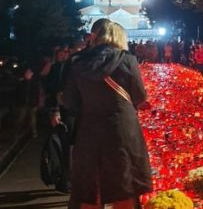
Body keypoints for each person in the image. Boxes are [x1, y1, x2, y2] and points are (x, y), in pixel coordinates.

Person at [64, 21, 152, 209]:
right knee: (124, 184)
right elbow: (139, 95)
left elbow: (70, 101)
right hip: (121, 129)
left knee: (91, 186)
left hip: (89, 129)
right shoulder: (127, 60)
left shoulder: (78, 62)